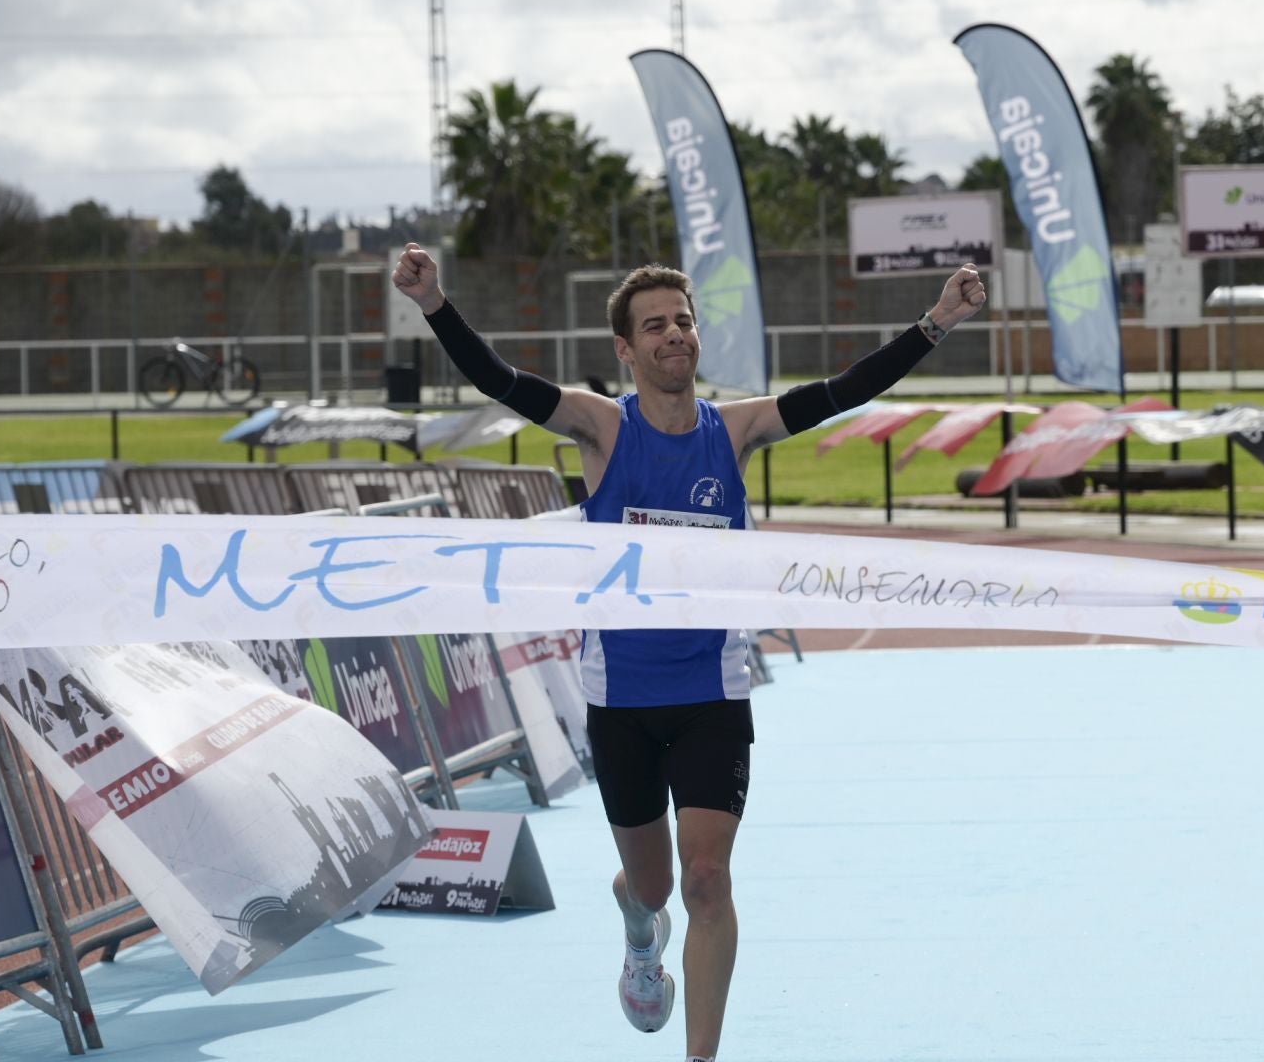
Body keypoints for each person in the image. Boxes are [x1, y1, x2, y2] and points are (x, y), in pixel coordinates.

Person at [392, 244, 985, 1062]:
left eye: (683, 320)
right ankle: (640, 931)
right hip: (622, 703)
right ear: (626, 351)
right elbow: (502, 383)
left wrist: (936, 324)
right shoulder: (600, 428)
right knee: (656, 887)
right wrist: (435, 305)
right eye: (655, 326)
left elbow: (841, 393)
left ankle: (701, 1055)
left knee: (707, 882)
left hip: (711, 693)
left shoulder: (735, 430)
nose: (674, 334)